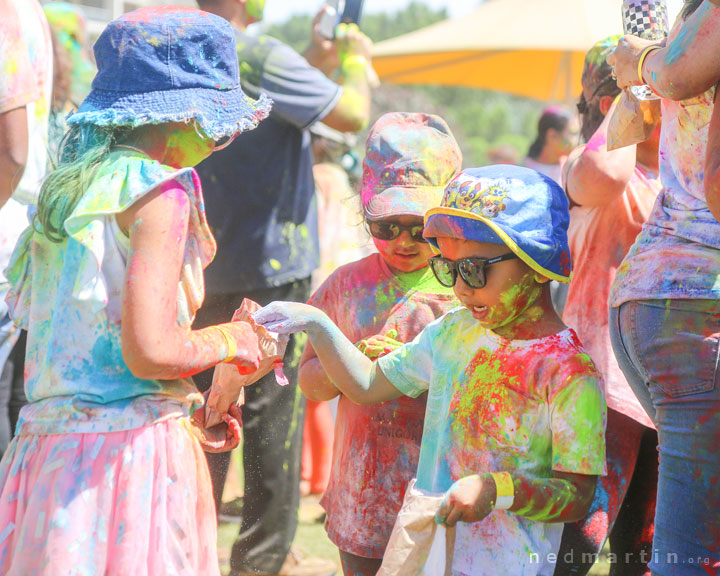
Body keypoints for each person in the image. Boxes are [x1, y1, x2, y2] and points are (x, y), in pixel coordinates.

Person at [0, 8, 273, 573]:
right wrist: (233, 338)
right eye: (219, 123)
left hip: (47, 458)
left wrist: (188, 399)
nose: (224, 139)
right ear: (182, 117)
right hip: (128, 464)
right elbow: (148, 350)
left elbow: (94, 360)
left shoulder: (64, 194)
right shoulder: (161, 194)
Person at [255, 165, 607, 576]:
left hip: (510, 563)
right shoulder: (453, 333)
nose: (459, 287)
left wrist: (497, 489)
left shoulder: (568, 372)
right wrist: (316, 321)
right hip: (430, 553)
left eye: (473, 270)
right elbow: (368, 385)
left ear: (533, 260)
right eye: (448, 268)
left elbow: (577, 496)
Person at [193, 0, 373, 574]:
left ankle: (186, 549)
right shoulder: (261, 53)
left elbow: (285, 87)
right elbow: (350, 114)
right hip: (270, 267)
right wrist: (355, 59)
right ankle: (259, 564)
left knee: (202, 414)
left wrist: (318, 54)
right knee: (271, 424)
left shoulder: (189, 47)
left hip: (197, 262)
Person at [299, 112, 462, 575]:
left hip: (441, 489)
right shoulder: (345, 287)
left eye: (419, 225)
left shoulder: (466, 289)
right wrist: (347, 360)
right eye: (387, 226)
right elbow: (310, 385)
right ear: (365, 212)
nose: (403, 240)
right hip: (363, 492)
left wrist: (412, 366)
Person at [607, 1, 720, 572]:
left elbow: (675, 74)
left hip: (658, 300)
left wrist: (640, 59)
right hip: (695, 307)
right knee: (694, 547)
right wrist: (646, 61)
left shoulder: (693, 23)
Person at [555, 37, 661, 576]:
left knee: (644, 551)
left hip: (666, 393)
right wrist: (635, 90)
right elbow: (607, 175)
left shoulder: (683, 177)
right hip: (602, 389)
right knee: (576, 543)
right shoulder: (595, 170)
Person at [0, 0, 53, 460]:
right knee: (13, 395)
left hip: (7, 214)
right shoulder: (29, 10)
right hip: (22, 220)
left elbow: (12, 152)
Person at [524, 106, 578, 184]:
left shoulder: (571, 171)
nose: (577, 140)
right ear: (552, 136)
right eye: (572, 133)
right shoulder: (524, 170)